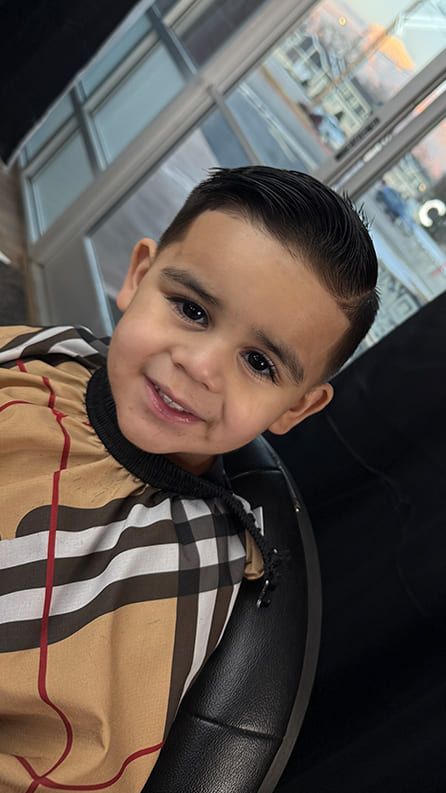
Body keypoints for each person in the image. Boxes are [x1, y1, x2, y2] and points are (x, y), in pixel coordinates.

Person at [0, 166, 379, 791]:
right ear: (138, 275)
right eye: (192, 310)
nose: (200, 367)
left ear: (296, 408)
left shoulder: (190, 572)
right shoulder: (43, 357)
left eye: (259, 362)